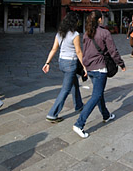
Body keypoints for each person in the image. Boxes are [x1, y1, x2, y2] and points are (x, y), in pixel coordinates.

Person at [73, 10, 126, 138]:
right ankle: (79, 124)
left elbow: (85, 51)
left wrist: (85, 67)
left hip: (90, 68)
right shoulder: (104, 32)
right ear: (99, 20)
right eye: (102, 18)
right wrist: (121, 63)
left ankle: (106, 115)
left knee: (99, 92)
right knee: (96, 95)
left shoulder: (87, 33)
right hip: (100, 68)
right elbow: (113, 51)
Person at [42, 12, 86, 122]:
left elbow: (53, 49)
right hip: (70, 64)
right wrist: (85, 66)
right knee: (65, 90)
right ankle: (52, 114)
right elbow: (78, 51)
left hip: (61, 62)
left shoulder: (60, 33)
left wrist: (47, 63)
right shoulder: (75, 34)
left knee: (74, 83)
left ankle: (79, 105)